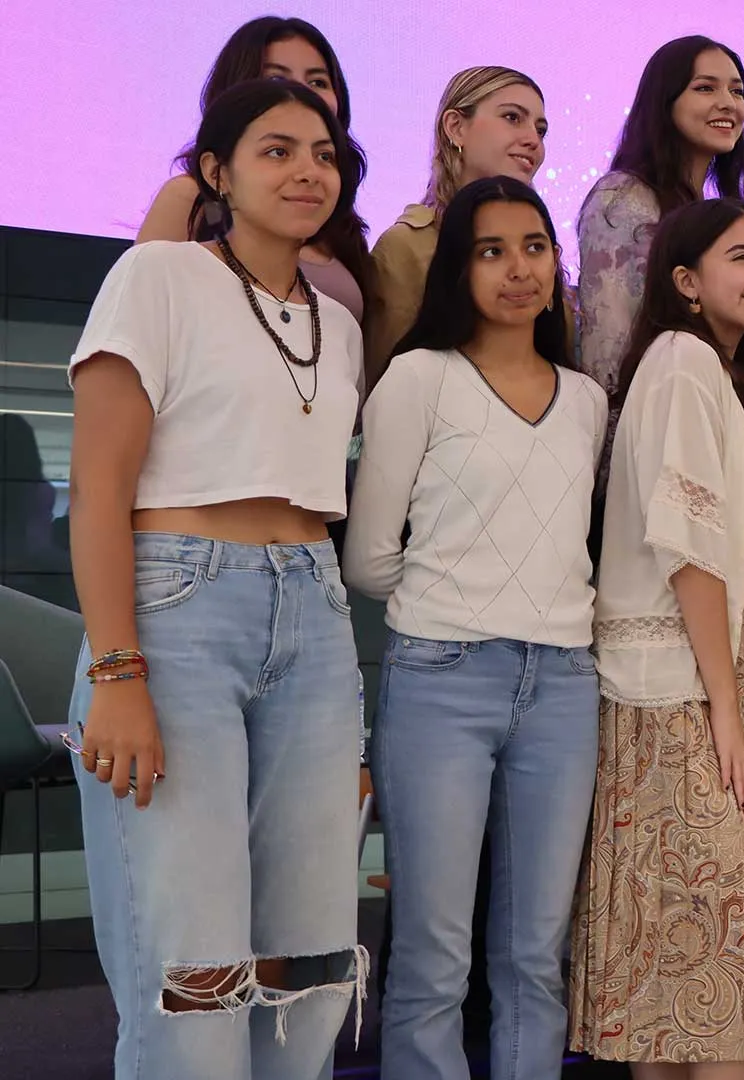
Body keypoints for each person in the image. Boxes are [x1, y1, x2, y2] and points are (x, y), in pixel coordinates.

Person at [66, 78, 367, 1079]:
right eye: (276, 150)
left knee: (310, 965)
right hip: (178, 608)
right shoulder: (159, 276)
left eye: (323, 154)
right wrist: (117, 671)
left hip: (316, 609)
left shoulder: (338, 324)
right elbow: (99, 488)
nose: (307, 170)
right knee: (192, 969)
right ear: (216, 173)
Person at [344, 177, 605, 1080]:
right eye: (490, 251)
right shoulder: (418, 379)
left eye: (534, 247)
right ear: (457, 268)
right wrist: (456, 603)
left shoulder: (587, 400)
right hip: (440, 679)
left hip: (565, 687)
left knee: (536, 955)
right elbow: (369, 559)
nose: (518, 269)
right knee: (433, 954)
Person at [569, 198, 744, 1076]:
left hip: (676, 676)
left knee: (671, 960)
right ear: (686, 282)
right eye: (741, 256)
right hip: (678, 684)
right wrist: (725, 708)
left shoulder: (695, 366)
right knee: (730, 942)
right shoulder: (685, 361)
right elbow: (690, 548)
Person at [578, 35, 744, 494]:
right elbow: (607, 349)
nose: (728, 103)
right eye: (705, 88)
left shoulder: (710, 209)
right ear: (664, 99)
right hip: (643, 454)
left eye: (737, 90)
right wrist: (615, 475)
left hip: (699, 432)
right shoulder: (623, 200)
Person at [135, 16, 371, 323]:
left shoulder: (335, 217)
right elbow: (138, 317)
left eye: (318, 82)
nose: (301, 93)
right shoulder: (190, 196)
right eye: (276, 79)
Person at [365, 66, 548, 387]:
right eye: (512, 117)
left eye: (541, 129)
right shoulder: (406, 247)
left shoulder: (541, 248)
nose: (533, 140)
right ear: (456, 127)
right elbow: (386, 382)